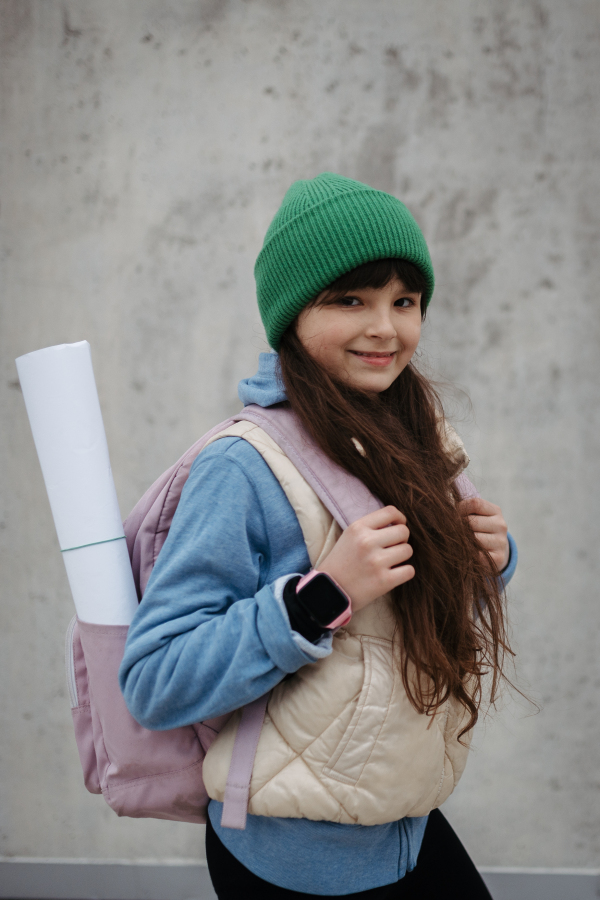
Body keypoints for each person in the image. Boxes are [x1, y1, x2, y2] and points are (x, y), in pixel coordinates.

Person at [119, 173, 518, 899]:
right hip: (290, 854)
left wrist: (489, 557)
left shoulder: (413, 433)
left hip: (406, 822)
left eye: (405, 300)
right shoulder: (243, 466)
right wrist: (319, 598)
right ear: (291, 315)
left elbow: (403, 607)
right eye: (351, 300)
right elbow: (155, 679)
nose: (386, 327)